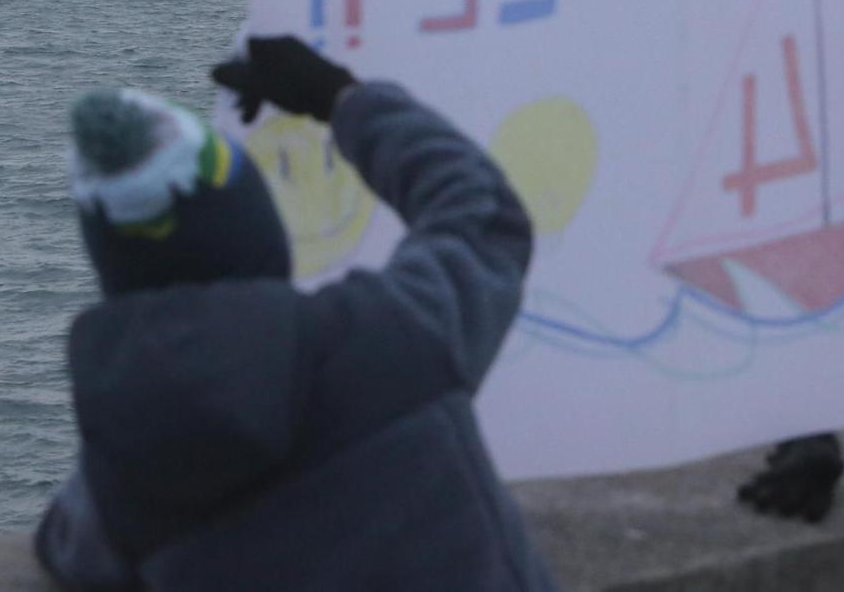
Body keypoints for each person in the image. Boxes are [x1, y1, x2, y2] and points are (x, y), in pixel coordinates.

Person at [35, 36, 556, 592]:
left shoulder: (119, 478)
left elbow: (65, 547)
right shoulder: (392, 332)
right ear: (252, 225)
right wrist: (339, 97)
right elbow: (479, 212)